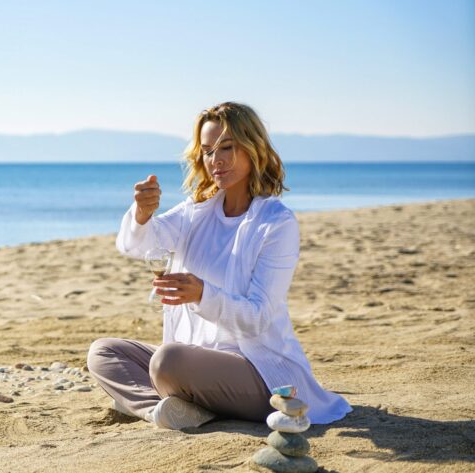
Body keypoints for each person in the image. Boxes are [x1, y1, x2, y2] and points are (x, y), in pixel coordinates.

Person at [86, 101, 352, 430]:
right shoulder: (196, 212)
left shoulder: (276, 223)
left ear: (253, 149)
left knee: (168, 362)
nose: (217, 160)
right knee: (104, 352)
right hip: (197, 359)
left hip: (258, 368)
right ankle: (163, 410)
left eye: (227, 147)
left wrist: (201, 294)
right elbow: (139, 244)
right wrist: (142, 213)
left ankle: (166, 404)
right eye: (208, 151)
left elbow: (257, 318)